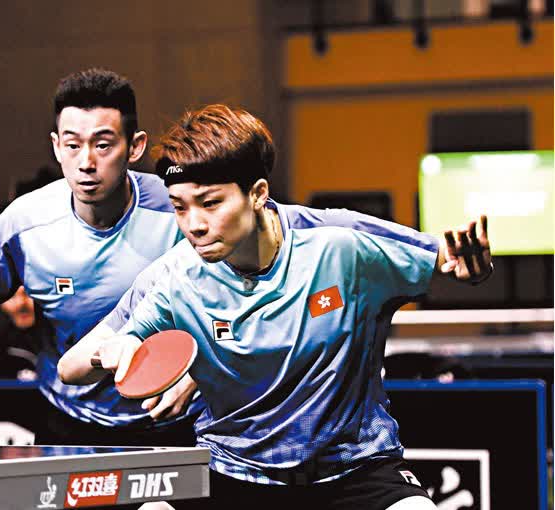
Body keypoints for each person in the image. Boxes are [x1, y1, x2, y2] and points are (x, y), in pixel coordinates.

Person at [60, 104, 492, 509]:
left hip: (354, 470)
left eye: (210, 203)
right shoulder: (176, 277)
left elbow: (446, 260)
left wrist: (469, 266)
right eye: (179, 207)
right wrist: (110, 352)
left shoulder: (341, 249)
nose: (194, 225)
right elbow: (76, 366)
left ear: (258, 193)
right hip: (233, 472)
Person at [0, 68, 204, 446]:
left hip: (175, 421)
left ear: (135, 147)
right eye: (72, 145)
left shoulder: (180, 210)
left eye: (103, 145)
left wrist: (198, 375)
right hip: (68, 422)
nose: (86, 162)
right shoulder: (24, 223)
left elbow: (237, 298)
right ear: (56, 146)